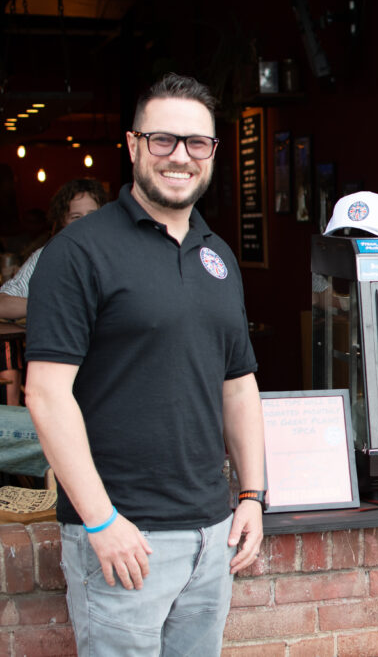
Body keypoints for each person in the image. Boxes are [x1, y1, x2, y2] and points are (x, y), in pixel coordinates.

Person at [24, 73, 266, 655]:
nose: (179, 157)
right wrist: (101, 522)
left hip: (213, 533)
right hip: (124, 536)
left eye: (196, 143)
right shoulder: (79, 252)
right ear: (133, 146)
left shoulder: (218, 255)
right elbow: (45, 394)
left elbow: (238, 385)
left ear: (212, 154)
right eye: (163, 140)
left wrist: (253, 495)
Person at [0, 178, 109, 321]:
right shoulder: (45, 256)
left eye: (92, 215)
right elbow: (2, 303)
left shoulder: (117, 255)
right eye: (76, 217)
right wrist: (54, 306)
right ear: (63, 221)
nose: (85, 223)